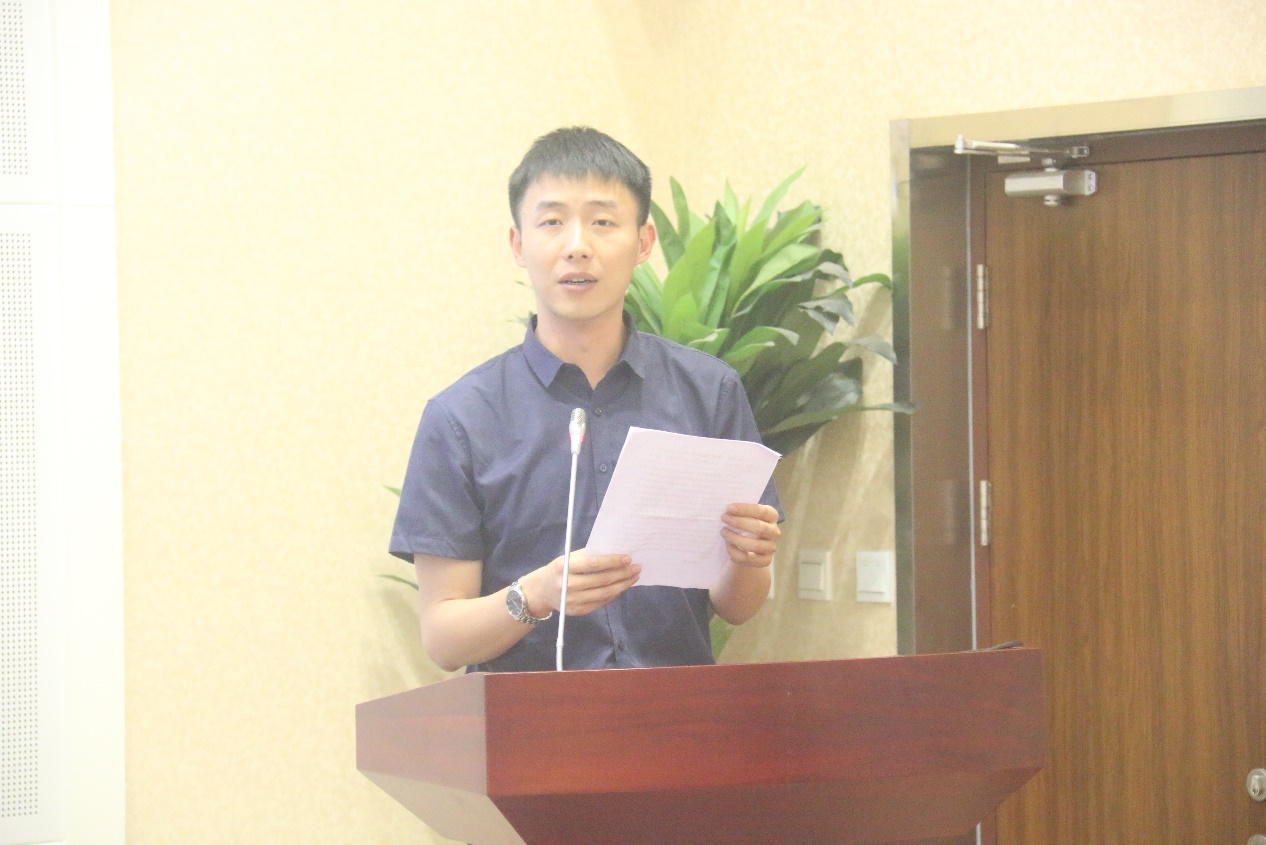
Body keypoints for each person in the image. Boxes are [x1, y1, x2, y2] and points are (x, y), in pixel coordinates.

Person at [389, 127, 782, 673]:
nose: (577, 246)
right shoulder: (461, 418)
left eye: (602, 222)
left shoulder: (709, 392)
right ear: (518, 245)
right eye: (552, 222)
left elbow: (737, 607)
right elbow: (443, 640)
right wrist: (535, 595)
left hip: (676, 713)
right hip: (529, 722)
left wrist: (750, 560)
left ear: (643, 243)